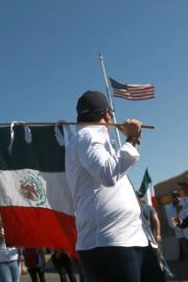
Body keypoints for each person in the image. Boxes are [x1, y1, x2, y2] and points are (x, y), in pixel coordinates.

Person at [64, 90, 164, 282]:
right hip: (112, 243)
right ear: (107, 114)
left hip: (130, 238)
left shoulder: (89, 139)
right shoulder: (88, 136)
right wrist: (132, 139)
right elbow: (107, 173)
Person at [138, 192, 174, 279]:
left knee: (158, 257)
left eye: (141, 196)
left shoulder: (149, 208)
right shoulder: (135, 209)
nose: (140, 198)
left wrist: (158, 234)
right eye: (138, 197)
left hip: (152, 238)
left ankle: (166, 274)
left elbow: (156, 221)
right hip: (141, 240)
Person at [0, 214, 20, 282]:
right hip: (1, 262)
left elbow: (18, 242)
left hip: (14, 260)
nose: (2, 219)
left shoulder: (12, 229)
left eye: (3, 217)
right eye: (0, 218)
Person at [167, 190, 188, 259]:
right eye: (175, 196)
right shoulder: (170, 209)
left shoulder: (185, 204)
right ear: (172, 198)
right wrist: (182, 227)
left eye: (178, 196)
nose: (177, 197)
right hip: (181, 235)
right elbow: (172, 223)